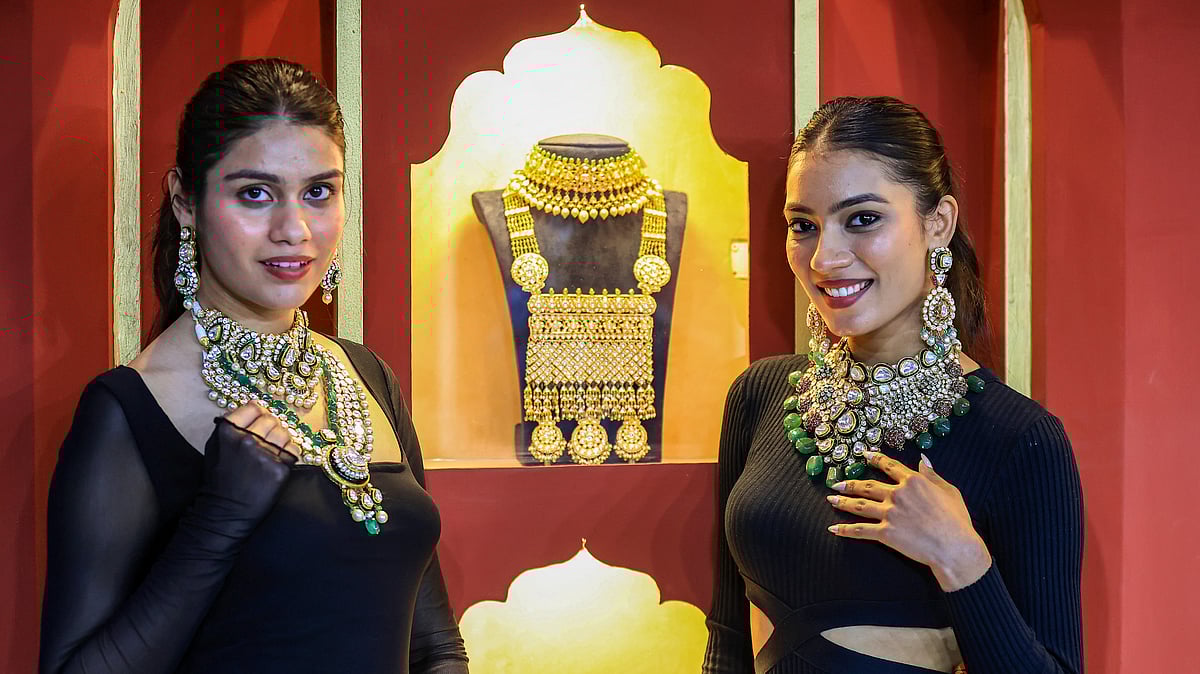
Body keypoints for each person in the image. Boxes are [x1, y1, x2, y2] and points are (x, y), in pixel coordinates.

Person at [39, 59, 469, 674]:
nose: (293, 230)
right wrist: (222, 516)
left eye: (318, 192)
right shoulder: (129, 409)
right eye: (254, 194)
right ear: (185, 202)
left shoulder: (366, 374)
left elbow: (434, 645)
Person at [703, 97, 1083, 673]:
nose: (825, 257)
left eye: (862, 219)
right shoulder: (760, 395)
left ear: (938, 224)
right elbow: (729, 635)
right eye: (803, 225)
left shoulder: (1021, 441)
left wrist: (960, 558)